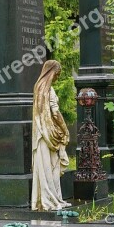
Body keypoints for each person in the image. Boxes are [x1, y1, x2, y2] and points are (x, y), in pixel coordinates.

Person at [31, 60, 71, 211]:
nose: (57, 78)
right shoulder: (47, 89)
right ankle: (50, 200)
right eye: (57, 74)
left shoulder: (39, 87)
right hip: (46, 134)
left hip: (44, 133)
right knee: (49, 167)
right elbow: (55, 112)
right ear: (51, 72)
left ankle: (55, 198)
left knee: (51, 166)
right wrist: (65, 129)